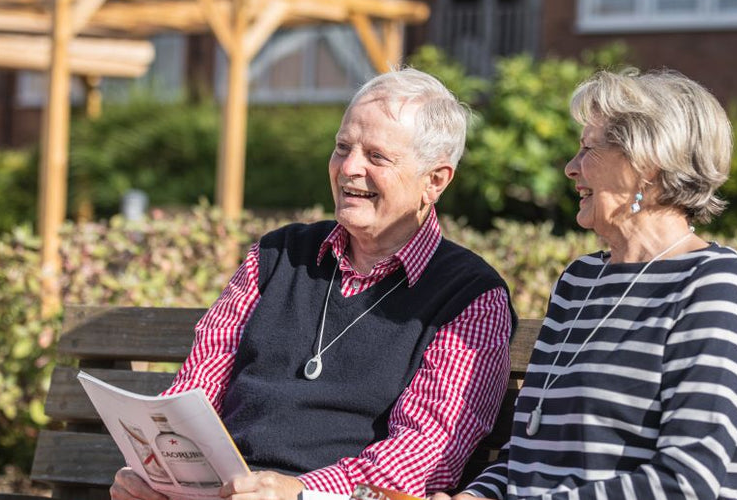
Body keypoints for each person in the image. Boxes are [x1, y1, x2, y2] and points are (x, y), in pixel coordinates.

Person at [111, 68, 516, 500]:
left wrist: (299, 491)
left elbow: (421, 459)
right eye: (342, 147)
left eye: (376, 156)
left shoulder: (471, 297)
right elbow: (196, 389)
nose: (349, 168)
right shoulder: (277, 254)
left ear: (434, 181)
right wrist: (158, 470)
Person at [436, 68, 737, 500]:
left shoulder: (711, 282)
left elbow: (688, 480)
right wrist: (477, 496)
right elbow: (530, 452)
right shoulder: (580, 281)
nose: (571, 168)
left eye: (588, 149)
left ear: (647, 164)